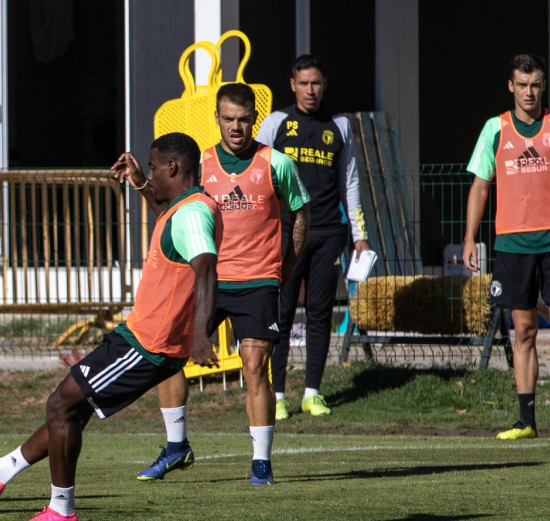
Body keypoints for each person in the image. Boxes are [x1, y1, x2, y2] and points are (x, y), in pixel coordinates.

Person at [0, 133, 222, 521]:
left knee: (60, 404)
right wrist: (141, 184)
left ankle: (60, 511)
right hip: (141, 338)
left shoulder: (194, 213)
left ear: (173, 167)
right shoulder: (184, 207)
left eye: (152, 166)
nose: (149, 172)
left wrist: (200, 333)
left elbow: (206, 270)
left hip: (147, 345)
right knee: (71, 410)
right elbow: (173, 226)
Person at [112, 83, 309, 485]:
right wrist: (138, 181)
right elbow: (167, 207)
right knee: (167, 357)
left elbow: (300, 215)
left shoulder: (278, 163)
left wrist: (284, 270)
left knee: (255, 368)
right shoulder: (199, 163)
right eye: (228, 119)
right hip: (206, 281)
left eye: (243, 119)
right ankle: (175, 446)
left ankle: (260, 464)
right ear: (216, 119)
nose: (236, 127)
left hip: (258, 282)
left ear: (254, 118)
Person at [256, 55, 370, 419]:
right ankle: (276, 396)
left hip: (327, 233)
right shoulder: (276, 122)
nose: (310, 90)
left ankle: (312, 393)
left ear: (324, 85)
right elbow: (257, 177)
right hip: (285, 233)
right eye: (303, 83)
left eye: (316, 83)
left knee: (320, 312)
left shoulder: (340, 125)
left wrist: (359, 236)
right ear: (292, 85)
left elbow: (349, 183)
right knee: (282, 313)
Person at [463, 53, 550, 440]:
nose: (529, 92)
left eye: (535, 85)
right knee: (521, 331)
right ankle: (526, 421)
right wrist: (471, 238)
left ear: (543, 86)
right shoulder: (495, 129)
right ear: (511, 86)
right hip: (512, 244)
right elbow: (480, 186)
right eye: (522, 85)